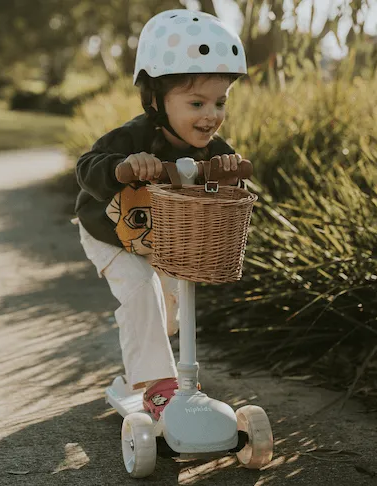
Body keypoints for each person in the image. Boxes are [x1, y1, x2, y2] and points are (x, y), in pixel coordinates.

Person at [75, 9, 248, 420]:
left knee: (173, 306)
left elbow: (233, 191)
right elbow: (86, 168)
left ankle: (160, 367)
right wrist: (124, 168)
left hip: (164, 238)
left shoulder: (214, 148)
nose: (211, 115)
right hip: (109, 232)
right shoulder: (134, 136)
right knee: (141, 292)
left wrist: (230, 177)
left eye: (219, 102)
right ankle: (159, 384)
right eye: (196, 102)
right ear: (155, 100)